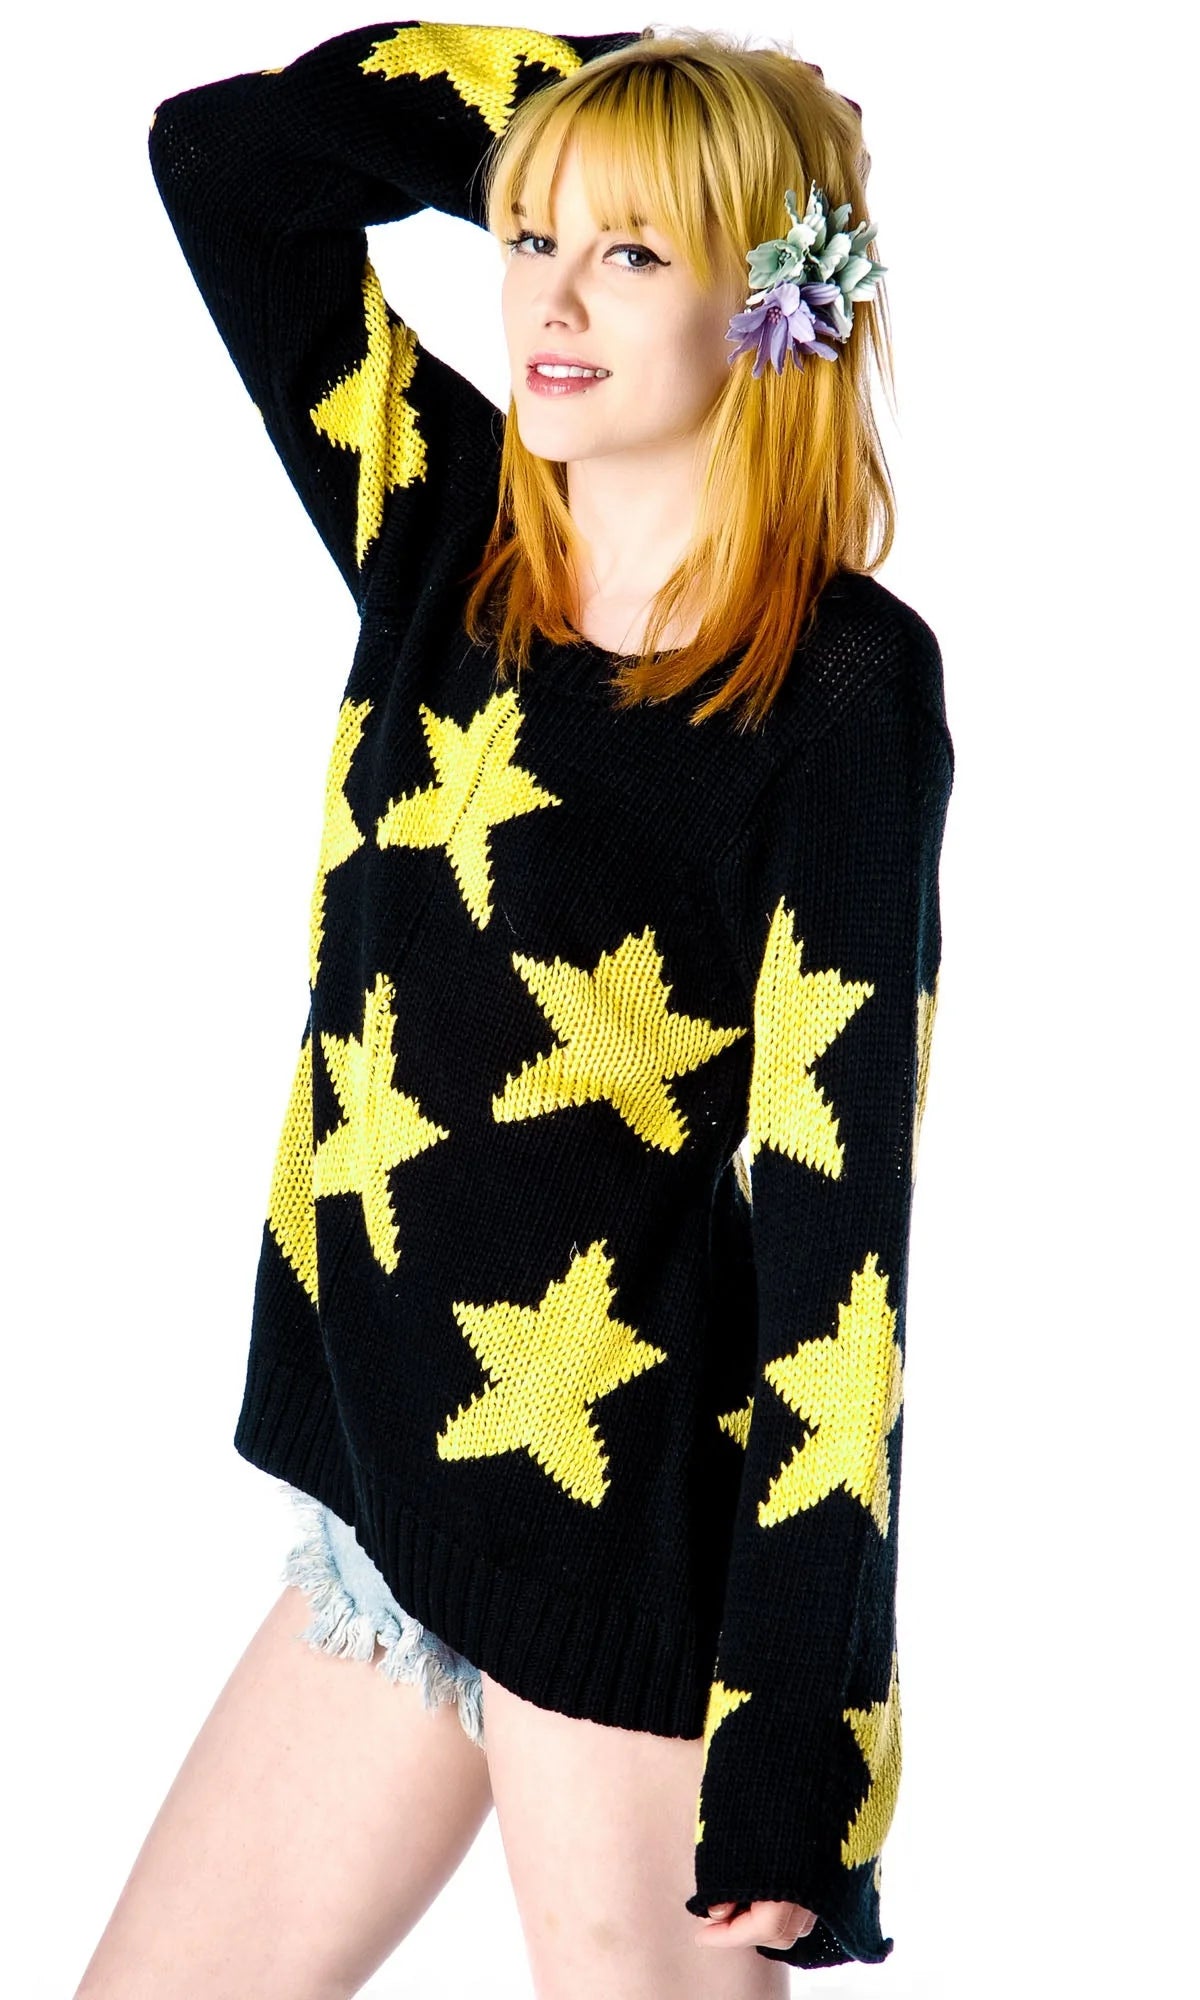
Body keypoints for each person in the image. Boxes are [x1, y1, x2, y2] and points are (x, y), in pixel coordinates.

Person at [75, 20, 954, 1999]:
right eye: (529, 235)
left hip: (625, 1570)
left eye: (631, 253)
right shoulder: (442, 528)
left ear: (768, 303)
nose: (547, 297)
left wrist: (797, 1732)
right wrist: (603, 104)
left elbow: (841, 1254)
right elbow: (226, 161)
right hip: (400, 1514)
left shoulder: (835, 695)